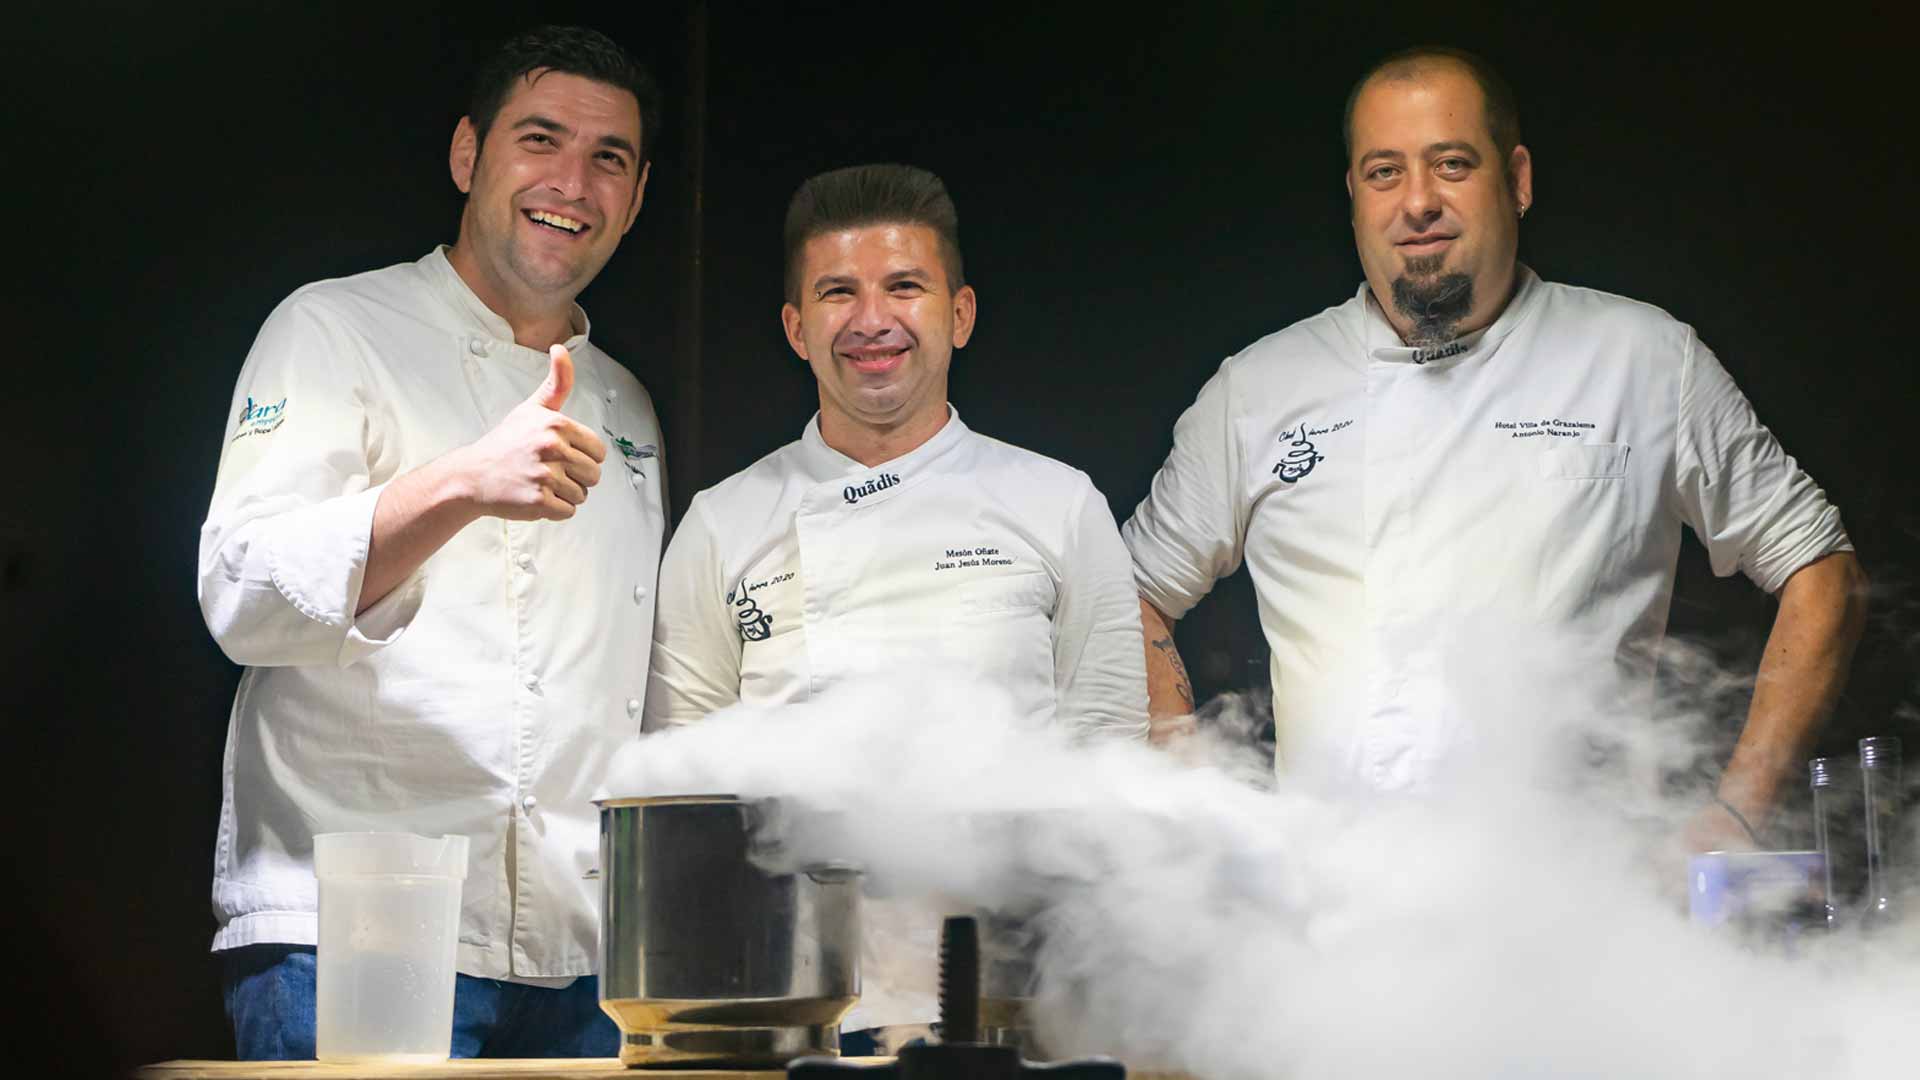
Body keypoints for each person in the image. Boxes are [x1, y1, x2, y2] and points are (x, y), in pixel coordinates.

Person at [1124, 46, 1868, 853]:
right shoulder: (1259, 388)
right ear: (1353, 196)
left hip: (1579, 909)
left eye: (1451, 165)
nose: (1417, 202)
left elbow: (1823, 570)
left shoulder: (1643, 359)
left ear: (1517, 180)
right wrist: (1183, 768)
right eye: (1383, 172)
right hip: (1330, 920)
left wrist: (1739, 810)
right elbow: (1124, 595)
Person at [196, 25, 666, 1059]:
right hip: (353, 937)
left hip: (582, 962)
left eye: (609, 160)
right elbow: (242, 595)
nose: (573, 182)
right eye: (540, 140)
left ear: (633, 202)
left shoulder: (627, 404)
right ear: (468, 156)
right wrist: (462, 481)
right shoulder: (331, 331)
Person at [645, 163, 1148, 1041]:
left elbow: (1105, 772)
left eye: (904, 286)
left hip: (1008, 1006)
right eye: (837, 292)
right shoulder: (723, 524)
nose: (871, 320)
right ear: (797, 330)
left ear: (959, 314)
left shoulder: (1058, 504)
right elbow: (689, 804)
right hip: (789, 1004)